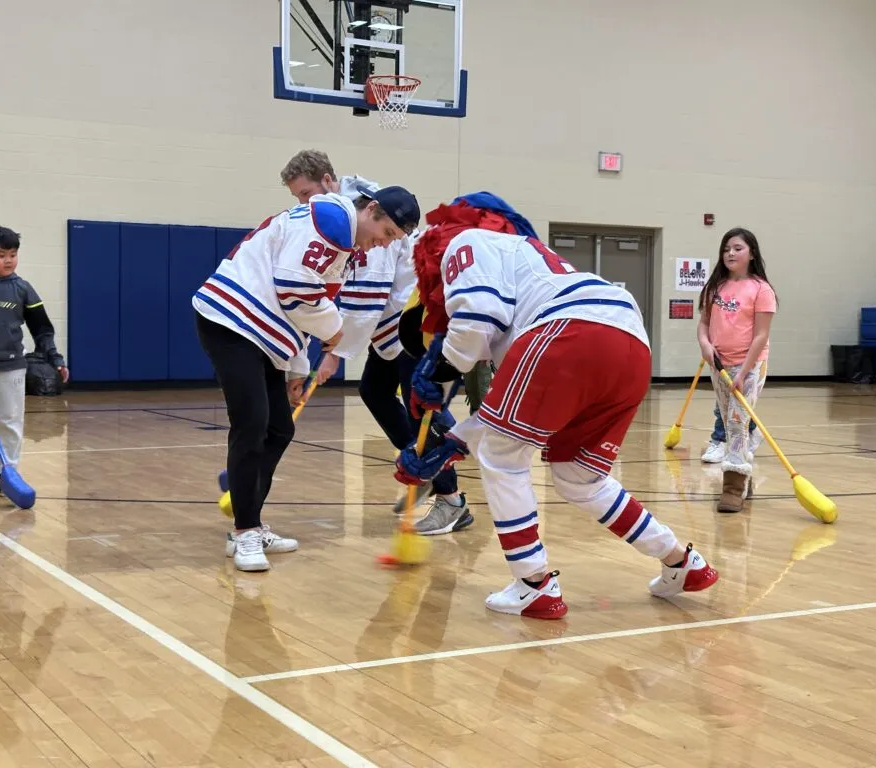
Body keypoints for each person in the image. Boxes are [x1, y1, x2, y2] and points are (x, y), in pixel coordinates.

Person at [392, 193, 719, 619]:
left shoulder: (460, 242)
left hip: (571, 330)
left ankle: (534, 584)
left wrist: (435, 370)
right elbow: (507, 407)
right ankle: (681, 561)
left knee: (503, 459)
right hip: (629, 341)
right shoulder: (523, 262)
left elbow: (473, 321)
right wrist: (449, 445)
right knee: (580, 477)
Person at [193, 184, 420, 571]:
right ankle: (245, 531)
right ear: (373, 211)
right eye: (387, 235)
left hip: (263, 332)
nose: (384, 245)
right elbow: (295, 292)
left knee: (280, 428)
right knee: (252, 426)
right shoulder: (330, 222)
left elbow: (302, 306)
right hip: (230, 322)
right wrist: (336, 335)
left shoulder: (344, 241)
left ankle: (252, 523)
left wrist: (295, 369)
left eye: (394, 241)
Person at [279, 150, 474, 535]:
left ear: (328, 180)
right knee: (374, 390)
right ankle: (421, 466)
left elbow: (367, 294)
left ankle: (451, 500)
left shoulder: (364, 214)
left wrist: (334, 353)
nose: (304, 203)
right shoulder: (342, 210)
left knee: (424, 409)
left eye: (306, 193)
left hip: (413, 324)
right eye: (298, 198)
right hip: (390, 324)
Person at [0, 226, 69, 492]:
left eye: (13, 254)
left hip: (10, 368)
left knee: (8, 422)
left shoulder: (23, 289)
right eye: (1, 254)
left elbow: (42, 329)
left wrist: (56, 359)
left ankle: (7, 475)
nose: (8, 260)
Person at [696, 228, 778, 513]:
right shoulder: (714, 287)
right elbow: (704, 324)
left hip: (750, 365)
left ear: (751, 253)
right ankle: (744, 476)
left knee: (736, 421)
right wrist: (705, 345)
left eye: (737, 248)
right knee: (732, 424)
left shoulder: (761, 290)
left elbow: (761, 336)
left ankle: (731, 488)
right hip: (719, 365)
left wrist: (743, 373)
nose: (730, 253)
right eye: (726, 249)